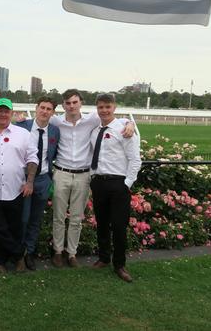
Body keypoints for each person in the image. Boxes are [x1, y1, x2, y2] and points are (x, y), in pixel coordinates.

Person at [48, 89, 134, 268]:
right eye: (68, 103)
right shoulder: (55, 120)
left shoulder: (92, 119)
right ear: (63, 105)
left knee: (77, 218)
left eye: (74, 102)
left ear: (81, 103)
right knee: (58, 216)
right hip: (61, 173)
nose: (71, 106)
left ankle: (71, 253)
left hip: (83, 175)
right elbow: (36, 121)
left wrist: (130, 122)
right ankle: (57, 251)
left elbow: (113, 118)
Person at [0, 98, 38, 273]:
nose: (3, 114)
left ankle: (0, 261)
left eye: (7, 111)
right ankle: (19, 253)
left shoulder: (23, 134)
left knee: (13, 228)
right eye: (0, 111)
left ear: (12, 114)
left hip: (15, 189)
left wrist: (29, 182)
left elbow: (32, 158)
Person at [89, 93, 141, 282]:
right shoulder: (95, 131)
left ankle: (119, 265)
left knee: (119, 226)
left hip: (118, 184)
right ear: (97, 109)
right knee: (101, 223)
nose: (104, 110)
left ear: (114, 107)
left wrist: (126, 184)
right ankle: (104, 258)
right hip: (98, 182)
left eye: (107, 107)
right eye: (101, 107)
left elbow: (135, 160)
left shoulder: (124, 130)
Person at [15, 97, 60, 271]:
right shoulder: (22, 126)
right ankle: (19, 253)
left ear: (53, 112)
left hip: (43, 179)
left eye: (49, 109)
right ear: (36, 108)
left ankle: (30, 253)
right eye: (42, 107)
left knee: (35, 220)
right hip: (24, 179)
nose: (45, 111)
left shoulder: (55, 131)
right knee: (23, 219)